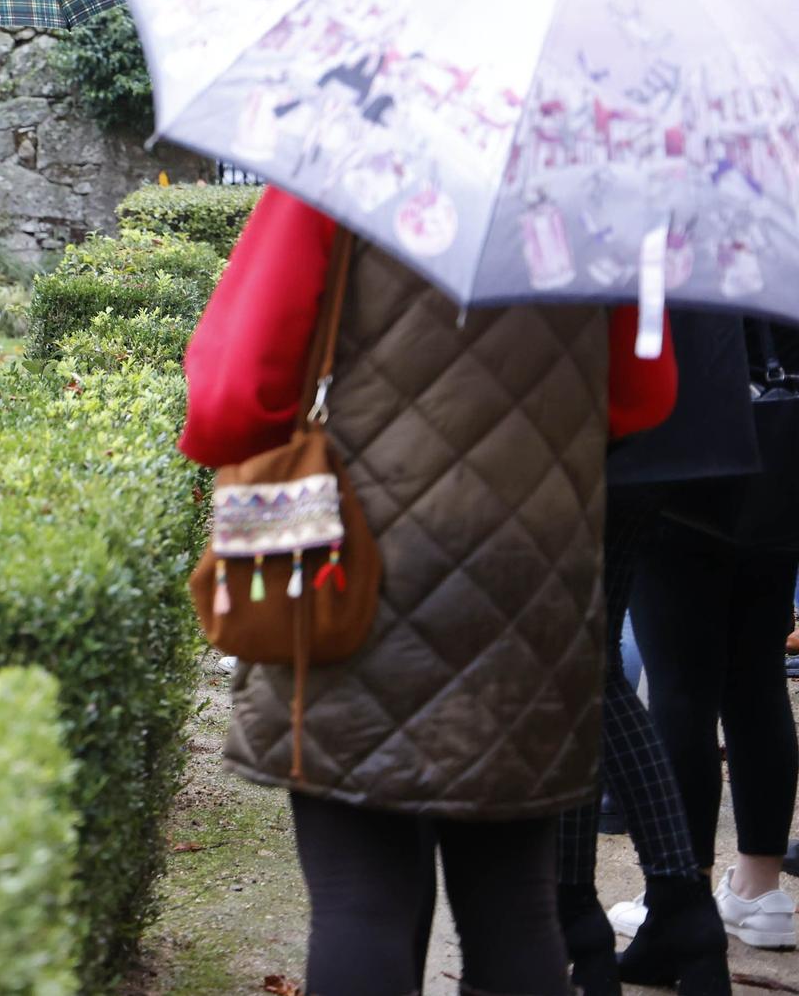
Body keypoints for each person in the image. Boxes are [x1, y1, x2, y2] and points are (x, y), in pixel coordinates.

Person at [179, 187, 676, 996]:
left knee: (360, 900)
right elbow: (644, 392)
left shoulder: (344, 160)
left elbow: (233, 396)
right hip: (535, 575)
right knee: (515, 906)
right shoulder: (598, 180)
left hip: (355, 572)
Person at [557, 313, 756, 996]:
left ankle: (600, 910)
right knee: (591, 663)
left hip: (619, 417)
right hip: (698, 413)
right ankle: (665, 912)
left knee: (581, 663)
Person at [609, 319, 799, 965]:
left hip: (685, 461)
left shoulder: (677, 230)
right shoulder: (778, 227)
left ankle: (678, 896)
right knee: (758, 674)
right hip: (781, 458)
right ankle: (760, 885)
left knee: (681, 685)